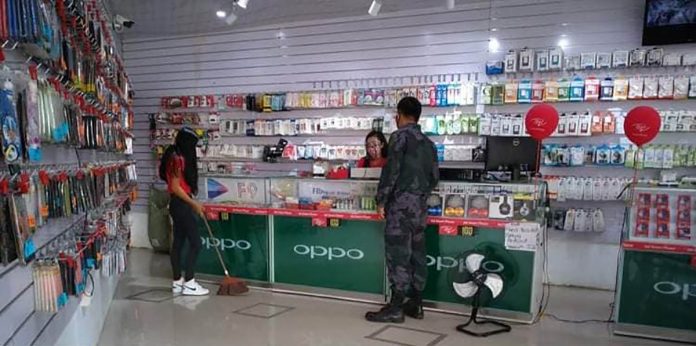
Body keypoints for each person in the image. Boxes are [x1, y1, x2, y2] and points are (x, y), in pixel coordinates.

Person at [365, 97, 439, 323]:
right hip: (419, 209)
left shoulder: (399, 137)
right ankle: (416, 304)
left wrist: (381, 200)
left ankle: (396, 307)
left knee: (398, 255)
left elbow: (391, 172)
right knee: (417, 254)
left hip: (399, 207)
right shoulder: (429, 144)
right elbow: (434, 178)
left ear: (400, 114)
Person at [159, 127, 210, 296]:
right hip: (181, 204)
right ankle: (189, 282)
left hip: (178, 204)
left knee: (179, 242)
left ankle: (177, 281)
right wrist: (193, 203)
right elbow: (175, 187)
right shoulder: (177, 158)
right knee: (196, 242)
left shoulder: (174, 155)